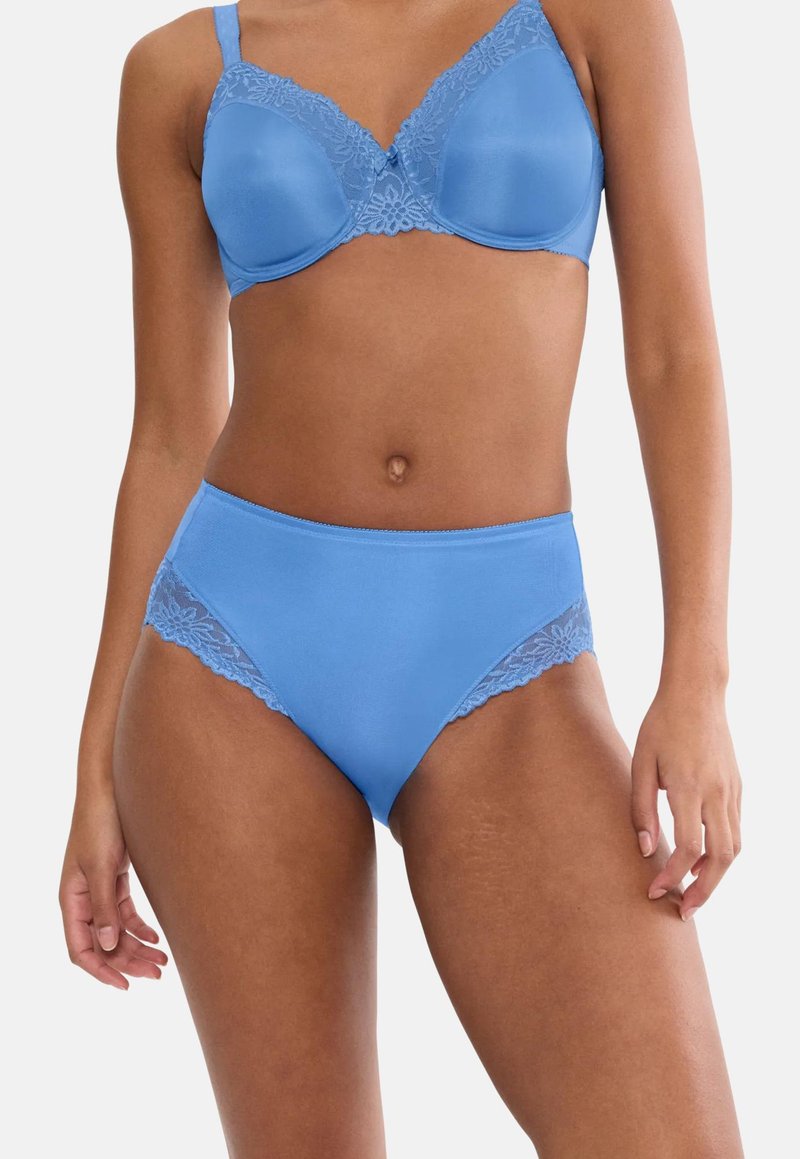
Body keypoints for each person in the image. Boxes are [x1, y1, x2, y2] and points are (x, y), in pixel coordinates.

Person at [60, 1, 743, 1154]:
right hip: (229, 658)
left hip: (511, 655)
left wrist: (697, 679)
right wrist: (92, 770)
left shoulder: (592, 18)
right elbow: (171, 434)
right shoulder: (177, 71)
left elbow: (674, 353)